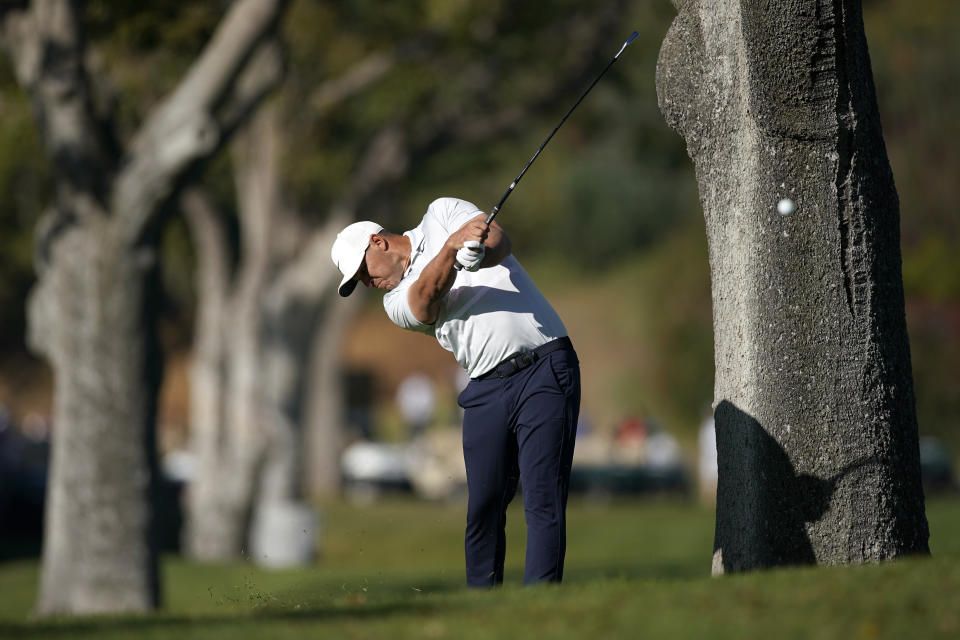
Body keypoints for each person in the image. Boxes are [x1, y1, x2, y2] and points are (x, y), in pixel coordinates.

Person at [330, 197, 581, 587]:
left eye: (362, 271)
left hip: (545, 368)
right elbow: (427, 300)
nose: (366, 282)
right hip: (484, 388)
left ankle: (540, 603)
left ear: (377, 242)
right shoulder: (394, 302)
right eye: (358, 281)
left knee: (542, 496)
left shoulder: (441, 212)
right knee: (483, 505)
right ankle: (483, 607)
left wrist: (481, 252)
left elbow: (499, 239)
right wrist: (451, 250)